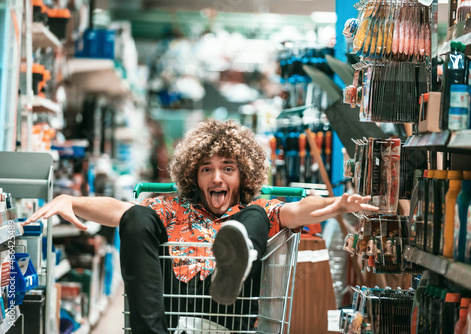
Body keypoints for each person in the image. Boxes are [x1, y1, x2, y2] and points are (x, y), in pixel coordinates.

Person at [24, 119, 378, 333]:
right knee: (137, 215)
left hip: (229, 309)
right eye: (206, 168)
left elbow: (298, 210)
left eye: (227, 168)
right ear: (194, 175)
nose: (216, 177)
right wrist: (72, 201)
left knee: (253, 218)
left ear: (243, 175)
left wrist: (336, 204)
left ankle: (234, 253)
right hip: (175, 307)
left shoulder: (256, 207)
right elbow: (118, 210)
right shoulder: (175, 207)